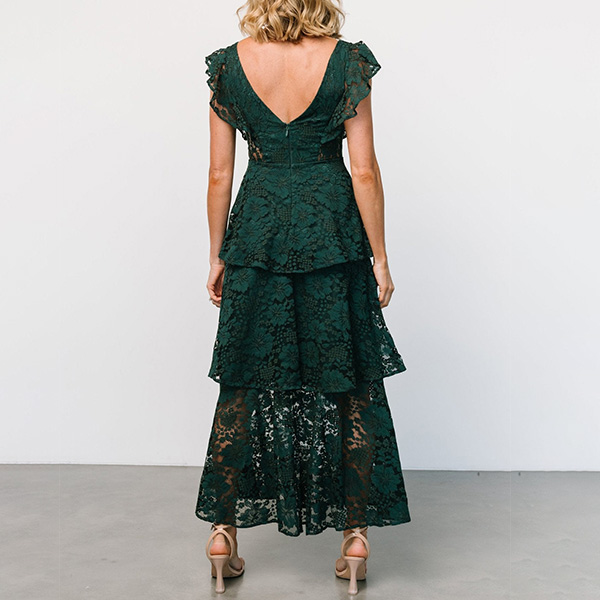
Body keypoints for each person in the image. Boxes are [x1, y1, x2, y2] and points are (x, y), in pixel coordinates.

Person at [195, 0, 411, 594]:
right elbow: (363, 170)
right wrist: (380, 255)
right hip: (332, 230)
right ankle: (356, 538)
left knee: (243, 377)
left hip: (257, 229)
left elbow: (219, 174)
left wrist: (217, 255)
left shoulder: (229, 66)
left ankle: (222, 534)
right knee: (350, 377)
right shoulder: (347, 63)